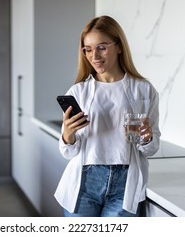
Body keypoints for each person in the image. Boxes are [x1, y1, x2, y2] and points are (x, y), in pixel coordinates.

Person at [54, 15, 161, 217]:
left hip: (125, 185)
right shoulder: (77, 92)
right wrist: (68, 135)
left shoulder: (144, 90)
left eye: (102, 47)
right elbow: (68, 152)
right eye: (88, 49)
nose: (94, 55)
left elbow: (151, 149)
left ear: (119, 47)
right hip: (84, 184)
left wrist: (147, 137)